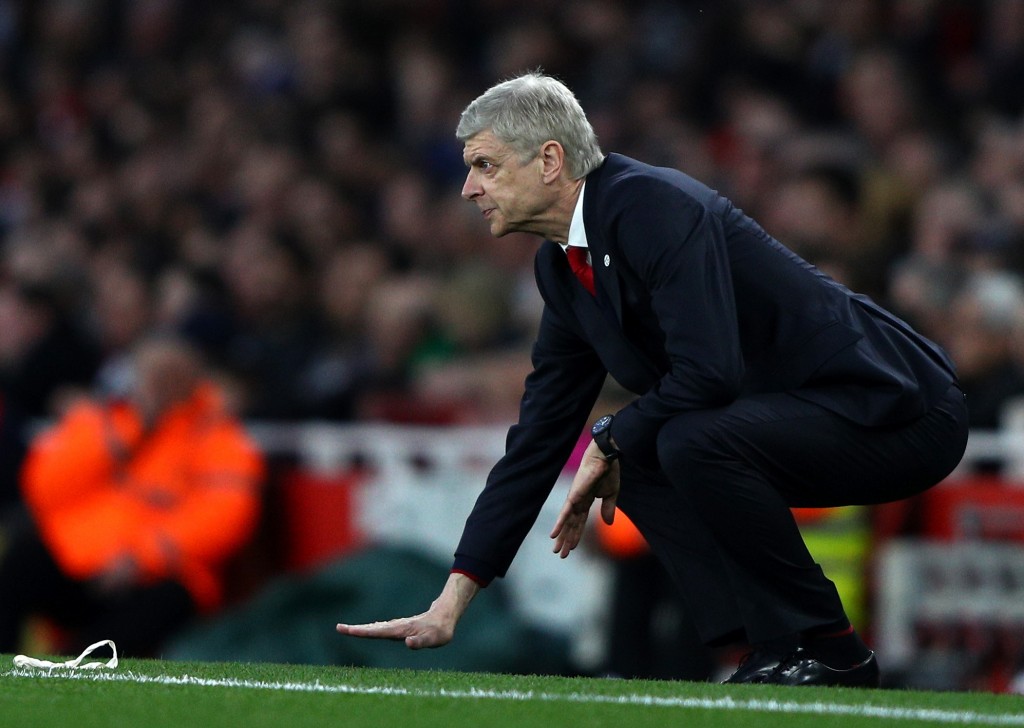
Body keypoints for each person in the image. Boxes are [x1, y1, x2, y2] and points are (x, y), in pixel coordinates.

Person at [336, 72, 969, 687]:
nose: (470, 188)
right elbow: (536, 440)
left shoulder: (651, 205)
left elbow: (710, 372)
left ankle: (833, 651)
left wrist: (611, 435)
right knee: (649, 447)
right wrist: (454, 598)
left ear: (550, 160)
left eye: (486, 166)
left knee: (677, 440)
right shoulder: (562, 269)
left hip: (898, 410)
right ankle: (771, 650)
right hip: (807, 413)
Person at [0, 335, 265, 656]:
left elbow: (226, 516)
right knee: (24, 560)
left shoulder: (218, 434)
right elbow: (43, 487)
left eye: (171, 372)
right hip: (86, 562)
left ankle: (70, 671)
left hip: (162, 575)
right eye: (152, 372)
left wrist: (140, 557)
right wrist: (130, 430)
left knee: (171, 599)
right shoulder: (107, 419)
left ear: (194, 376)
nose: (160, 382)